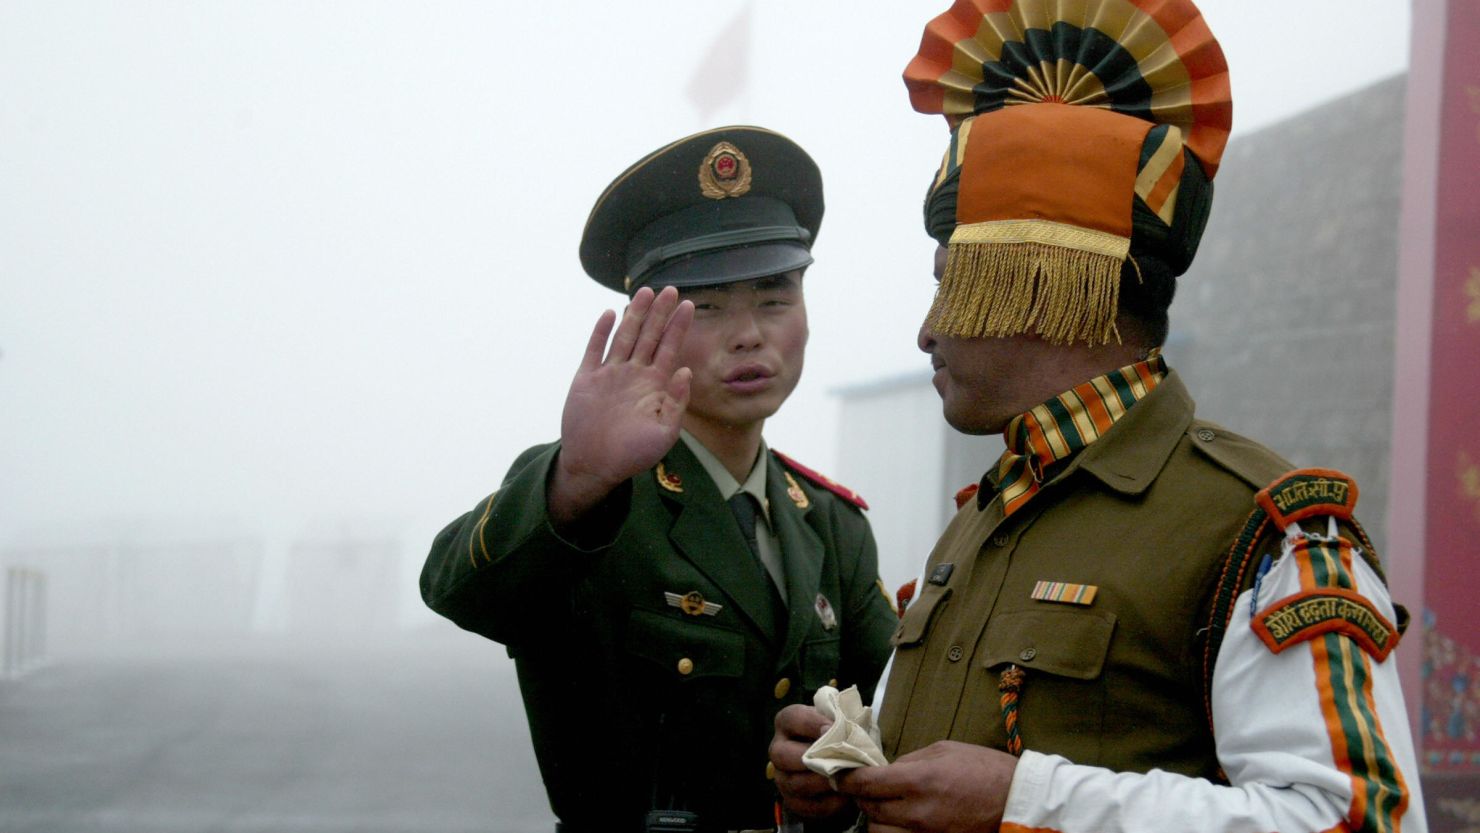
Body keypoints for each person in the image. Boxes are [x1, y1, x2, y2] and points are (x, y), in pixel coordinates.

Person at [769, 2, 1428, 832]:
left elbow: (1362, 818)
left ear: (1043, 277)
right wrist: (846, 778)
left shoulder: (1261, 530)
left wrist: (1026, 799)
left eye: (950, 280)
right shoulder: (982, 521)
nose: (927, 328)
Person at [421, 125, 898, 833]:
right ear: (648, 322)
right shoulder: (594, 494)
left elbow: (896, 710)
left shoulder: (831, 523)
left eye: (775, 295)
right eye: (706, 306)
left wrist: (844, 776)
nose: (749, 334)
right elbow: (458, 587)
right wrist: (577, 476)